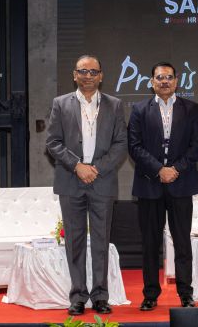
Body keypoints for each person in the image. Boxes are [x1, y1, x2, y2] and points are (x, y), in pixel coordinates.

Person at [46, 55, 127, 316]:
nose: (88, 76)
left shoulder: (115, 105)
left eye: (93, 71)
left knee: (102, 240)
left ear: (101, 76)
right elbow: (53, 142)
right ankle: (78, 296)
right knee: (75, 240)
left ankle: (101, 296)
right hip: (71, 180)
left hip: (101, 181)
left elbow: (120, 144)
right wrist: (77, 166)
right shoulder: (61, 104)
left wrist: (96, 169)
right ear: (75, 75)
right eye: (83, 71)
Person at [128, 62, 198, 311]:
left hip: (181, 184)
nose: (164, 81)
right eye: (159, 77)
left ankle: (186, 293)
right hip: (150, 184)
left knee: (182, 242)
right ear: (151, 81)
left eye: (169, 77)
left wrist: (176, 169)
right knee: (150, 243)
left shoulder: (190, 108)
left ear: (176, 81)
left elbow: (197, 145)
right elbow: (134, 146)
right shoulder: (139, 109)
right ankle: (150, 294)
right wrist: (159, 170)